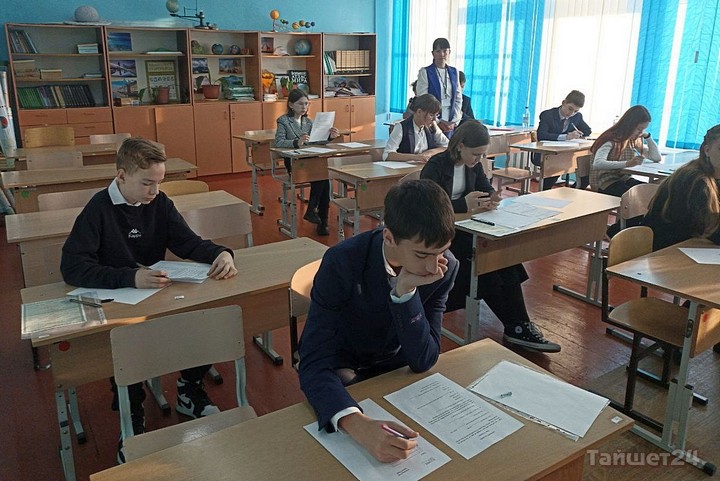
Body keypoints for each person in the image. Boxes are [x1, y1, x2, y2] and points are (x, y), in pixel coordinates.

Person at [60, 137, 238, 462]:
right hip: (118, 301)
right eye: (147, 183)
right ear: (121, 176)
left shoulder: (159, 202)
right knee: (129, 343)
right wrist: (130, 277)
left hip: (155, 293)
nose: (155, 191)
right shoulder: (98, 209)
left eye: (159, 182)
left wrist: (221, 253)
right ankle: (133, 415)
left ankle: (188, 389)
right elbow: (72, 267)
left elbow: (187, 242)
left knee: (204, 316)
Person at [298, 179, 459, 463]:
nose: (434, 266)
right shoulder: (342, 262)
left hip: (395, 372)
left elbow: (424, 359)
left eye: (441, 251)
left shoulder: (446, 266)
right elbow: (313, 360)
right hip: (345, 368)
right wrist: (355, 423)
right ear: (389, 237)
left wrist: (405, 293)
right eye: (422, 254)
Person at [420, 120, 561, 353]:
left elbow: (486, 188)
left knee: (503, 256)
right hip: (440, 233)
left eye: (482, 154)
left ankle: (519, 324)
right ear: (460, 146)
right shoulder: (436, 165)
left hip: (467, 228)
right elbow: (427, 206)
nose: (479, 159)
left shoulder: (473, 165)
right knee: (486, 265)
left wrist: (492, 198)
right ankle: (516, 326)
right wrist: (462, 204)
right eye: (475, 154)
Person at [643, 124, 720, 251]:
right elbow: (710, 230)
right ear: (707, 150)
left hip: (691, 245)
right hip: (664, 249)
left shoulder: (713, 175)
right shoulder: (695, 180)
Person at [275, 88, 340, 236]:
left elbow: (316, 141)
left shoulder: (308, 122)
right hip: (295, 162)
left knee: (323, 177)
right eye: (300, 104)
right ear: (291, 105)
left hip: (310, 160)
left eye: (306, 104)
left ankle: (319, 217)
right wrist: (296, 142)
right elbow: (278, 142)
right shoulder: (283, 121)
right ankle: (317, 216)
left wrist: (330, 137)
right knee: (321, 176)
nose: (304, 107)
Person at [590, 105, 660, 236]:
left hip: (623, 178)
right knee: (635, 201)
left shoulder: (632, 140)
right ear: (630, 125)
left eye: (643, 130)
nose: (640, 133)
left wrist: (648, 136)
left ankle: (629, 230)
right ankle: (617, 232)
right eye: (639, 129)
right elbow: (597, 163)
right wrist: (627, 163)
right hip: (605, 182)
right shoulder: (611, 139)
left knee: (651, 194)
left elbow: (656, 157)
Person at [535, 90, 592, 190]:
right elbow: (542, 135)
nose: (571, 113)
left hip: (565, 153)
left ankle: (573, 192)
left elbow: (587, 131)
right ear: (563, 103)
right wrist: (565, 137)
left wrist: (579, 134)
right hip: (547, 153)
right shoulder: (548, 115)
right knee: (556, 169)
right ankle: (543, 192)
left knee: (586, 172)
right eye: (570, 109)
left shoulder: (577, 117)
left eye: (575, 111)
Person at [416, 37, 463, 137]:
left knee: (449, 145)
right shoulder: (425, 72)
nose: (442, 54)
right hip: (431, 122)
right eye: (438, 51)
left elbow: (458, 98)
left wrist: (454, 121)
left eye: (445, 51)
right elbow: (423, 100)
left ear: (449, 52)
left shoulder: (455, 72)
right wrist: (436, 122)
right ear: (433, 53)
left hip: (450, 123)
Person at [382, 94, 449, 162]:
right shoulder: (401, 127)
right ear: (419, 112)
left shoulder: (433, 126)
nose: (434, 119)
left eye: (437, 115)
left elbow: (448, 145)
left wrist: (430, 152)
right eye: (431, 115)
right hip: (405, 167)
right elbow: (387, 155)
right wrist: (415, 157)